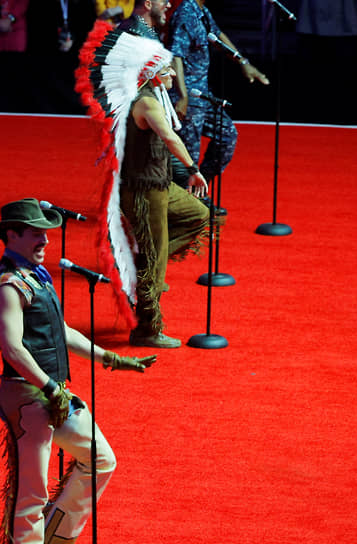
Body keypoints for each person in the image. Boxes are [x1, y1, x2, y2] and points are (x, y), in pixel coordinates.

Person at [0, 198, 156, 544]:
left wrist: (111, 358)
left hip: (53, 394)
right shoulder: (7, 286)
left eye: (47, 233)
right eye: (36, 233)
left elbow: (61, 331)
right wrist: (50, 388)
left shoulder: (36, 278)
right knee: (31, 496)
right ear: (12, 236)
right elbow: (12, 349)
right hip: (28, 398)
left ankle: (56, 536)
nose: (46, 240)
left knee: (101, 459)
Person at [76, 23, 214, 348]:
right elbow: (168, 137)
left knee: (199, 215)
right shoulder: (148, 103)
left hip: (158, 184)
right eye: (166, 71)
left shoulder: (157, 97)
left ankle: (146, 267)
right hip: (143, 190)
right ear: (153, 75)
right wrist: (193, 169)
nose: (171, 75)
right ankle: (147, 329)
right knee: (155, 253)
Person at [167, 0, 268, 185]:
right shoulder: (186, 13)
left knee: (227, 137)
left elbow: (218, 36)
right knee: (189, 157)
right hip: (189, 96)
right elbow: (176, 56)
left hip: (203, 95)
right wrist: (182, 96)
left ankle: (198, 190)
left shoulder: (202, 10)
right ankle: (184, 204)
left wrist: (243, 62)